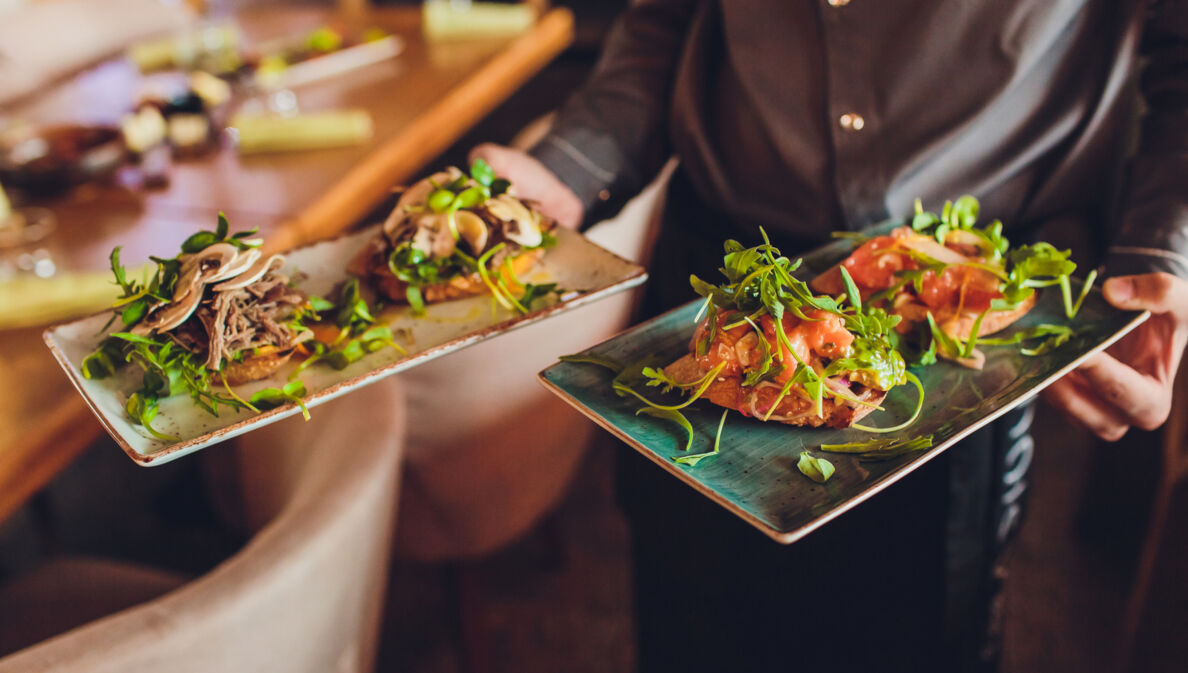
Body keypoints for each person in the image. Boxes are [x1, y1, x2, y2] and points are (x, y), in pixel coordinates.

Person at [473, 1, 1188, 670]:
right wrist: (572, 166)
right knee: (688, 625)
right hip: (721, 277)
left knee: (916, 631)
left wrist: (1161, 254)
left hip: (962, 318)